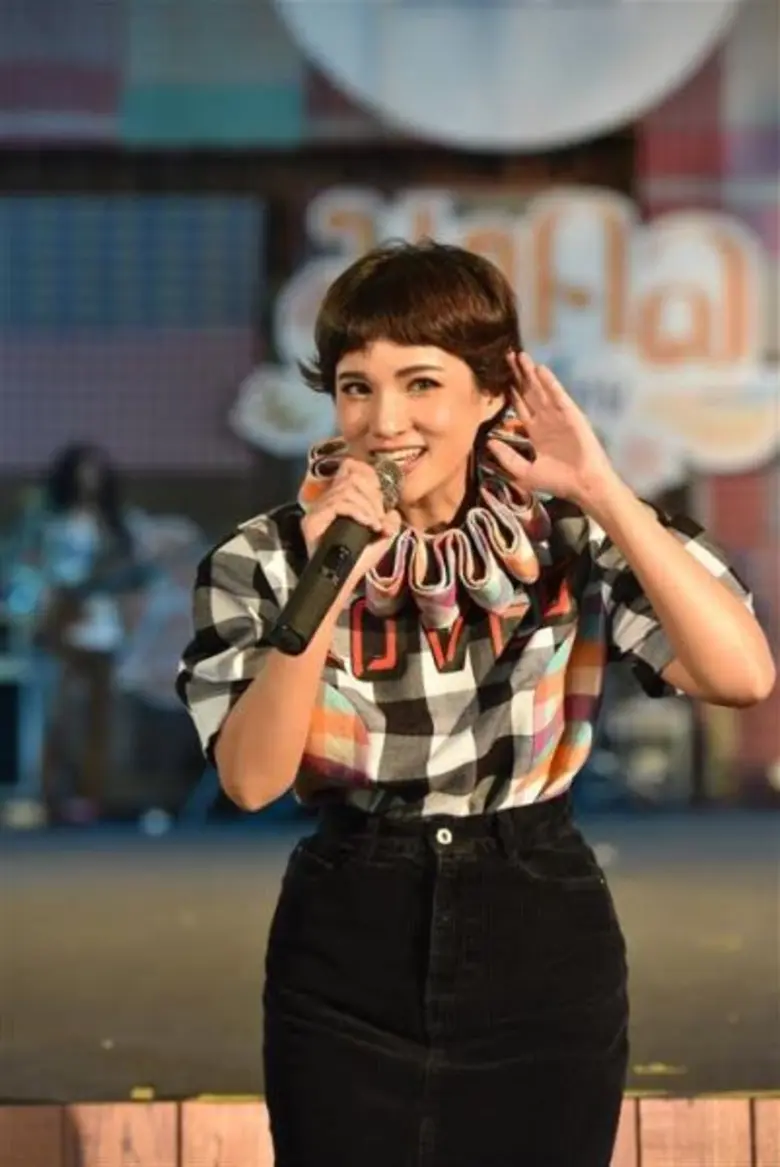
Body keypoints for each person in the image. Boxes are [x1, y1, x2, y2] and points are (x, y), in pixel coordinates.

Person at [176, 241, 775, 1167]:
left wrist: (603, 489)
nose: (385, 422)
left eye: (421, 383)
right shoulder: (264, 558)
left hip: (538, 921)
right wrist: (330, 579)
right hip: (348, 931)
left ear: (492, 392)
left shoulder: (561, 527)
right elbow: (252, 780)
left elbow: (743, 675)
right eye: (356, 387)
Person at [10, 443, 148, 823]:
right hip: (61, 620)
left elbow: (133, 575)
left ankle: (91, 795)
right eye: (83, 472)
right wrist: (42, 605)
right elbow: (26, 567)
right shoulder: (46, 522)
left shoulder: (116, 525)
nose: (90, 481)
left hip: (103, 626)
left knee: (100, 717)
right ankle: (49, 793)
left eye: (96, 473)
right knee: (56, 714)